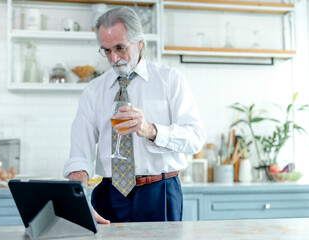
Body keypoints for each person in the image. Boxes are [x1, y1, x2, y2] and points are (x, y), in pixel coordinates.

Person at [63, 6, 205, 224]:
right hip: (110, 195)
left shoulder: (170, 80)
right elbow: (79, 154)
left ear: (140, 42)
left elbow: (195, 139)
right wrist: (78, 196)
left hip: (160, 192)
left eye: (120, 47)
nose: (113, 57)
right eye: (106, 50)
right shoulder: (93, 91)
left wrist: (150, 130)